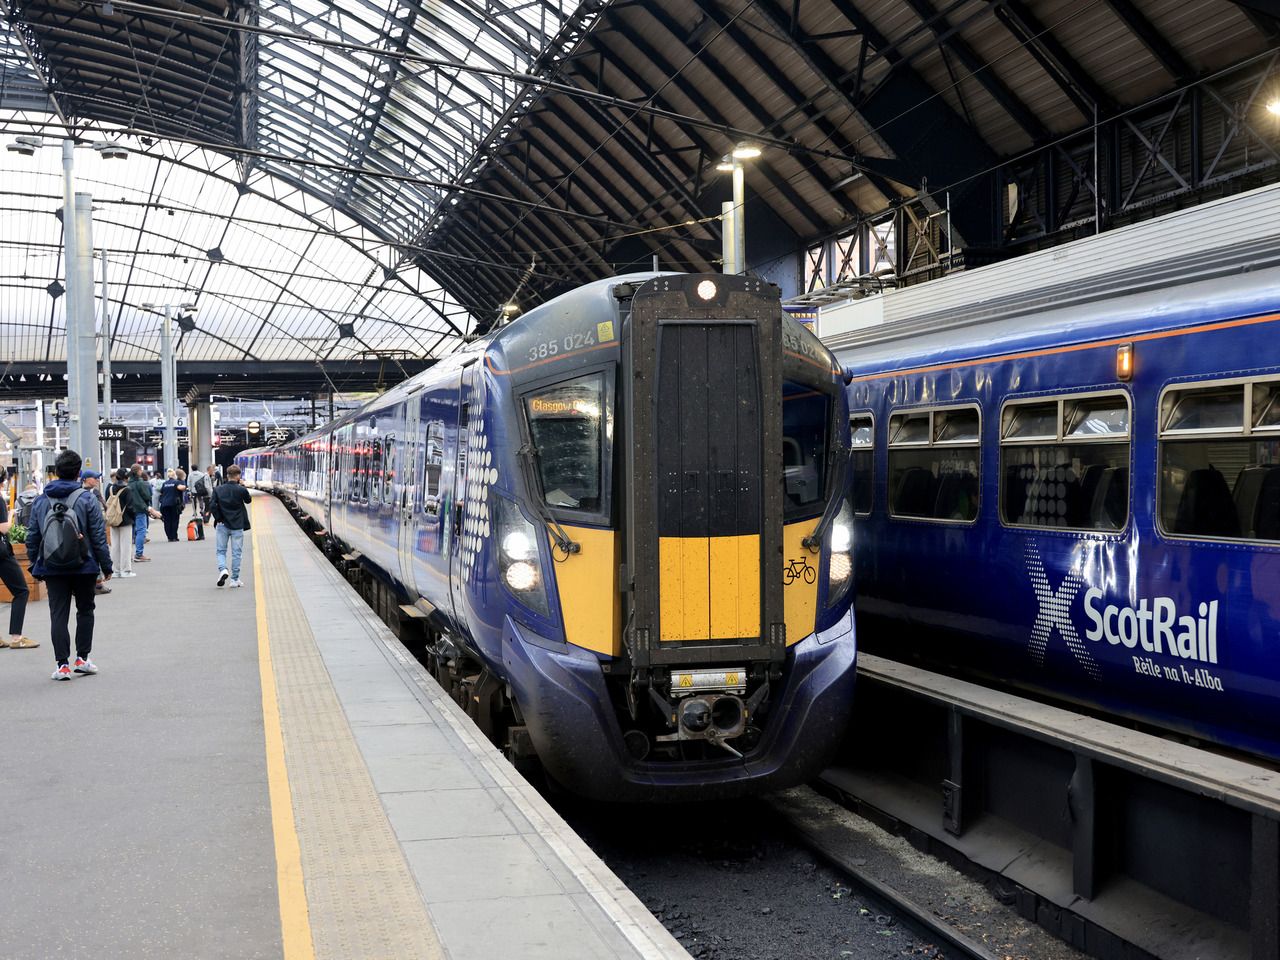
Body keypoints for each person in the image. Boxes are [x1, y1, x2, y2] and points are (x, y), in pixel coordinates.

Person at [26, 449, 112, 680]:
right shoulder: (87, 499)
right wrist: (106, 566)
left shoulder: (41, 500)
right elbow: (98, 535)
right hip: (84, 564)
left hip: (52, 566)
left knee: (58, 614)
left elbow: (32, 535)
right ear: (78, 474)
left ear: (56, 472)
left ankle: (62, 665)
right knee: (85, 609)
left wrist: (35, 563)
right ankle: (82, 658)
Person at [0, 488, 38, 650]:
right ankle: (17, 637)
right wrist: (11, 515)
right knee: (21, 591)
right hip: (1, 554)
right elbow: (3, 528)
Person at [210, 464, 252, 588]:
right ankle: (234, 579)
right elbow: (248, 500)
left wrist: (219, 518)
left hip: (222, 525)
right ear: (238, 476)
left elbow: (212, 505)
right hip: (237, 525)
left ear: (227, 476)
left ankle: (223, 569)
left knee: (221, 551)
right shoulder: (241, 489)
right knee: (236, 553)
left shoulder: (218, 490)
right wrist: (243, 486)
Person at [80, 469, 112, 594]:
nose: (97, 480)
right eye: (95, 478)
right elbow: (104, 505)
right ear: (86, 479)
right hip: (94, 527)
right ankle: (98, 584)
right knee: (95, 551)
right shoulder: (93, 493)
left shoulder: (78, 493)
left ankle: (96, 583)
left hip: (84, 531)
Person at [104, 468, 136, 578]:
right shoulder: (127, 489)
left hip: (113, 520)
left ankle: (115, 570)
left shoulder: (110, 488)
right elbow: (131, 507)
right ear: (126, 477)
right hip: (125, 520)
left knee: (115, 545)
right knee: (126, 545)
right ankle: (126, 570)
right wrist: (133, 518)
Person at [126, 464, 158, 562]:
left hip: (130, 511)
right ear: (139, 471)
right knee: (141, 531)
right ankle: (139, 554)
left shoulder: (128, 484)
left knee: (131, 532)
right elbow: (147, 496)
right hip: (140, 510)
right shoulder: (140, 483)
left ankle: (128, 555)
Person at [158, 469, 186, 542]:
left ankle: (169, 537)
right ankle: (174, 537)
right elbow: (180, 488)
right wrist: (186, 487)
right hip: (174, 505)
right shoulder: (176, 482)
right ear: (174, 475)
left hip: (164, 505)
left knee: (167, 521)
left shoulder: (164, 483)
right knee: (174, 520)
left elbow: (161, 492)